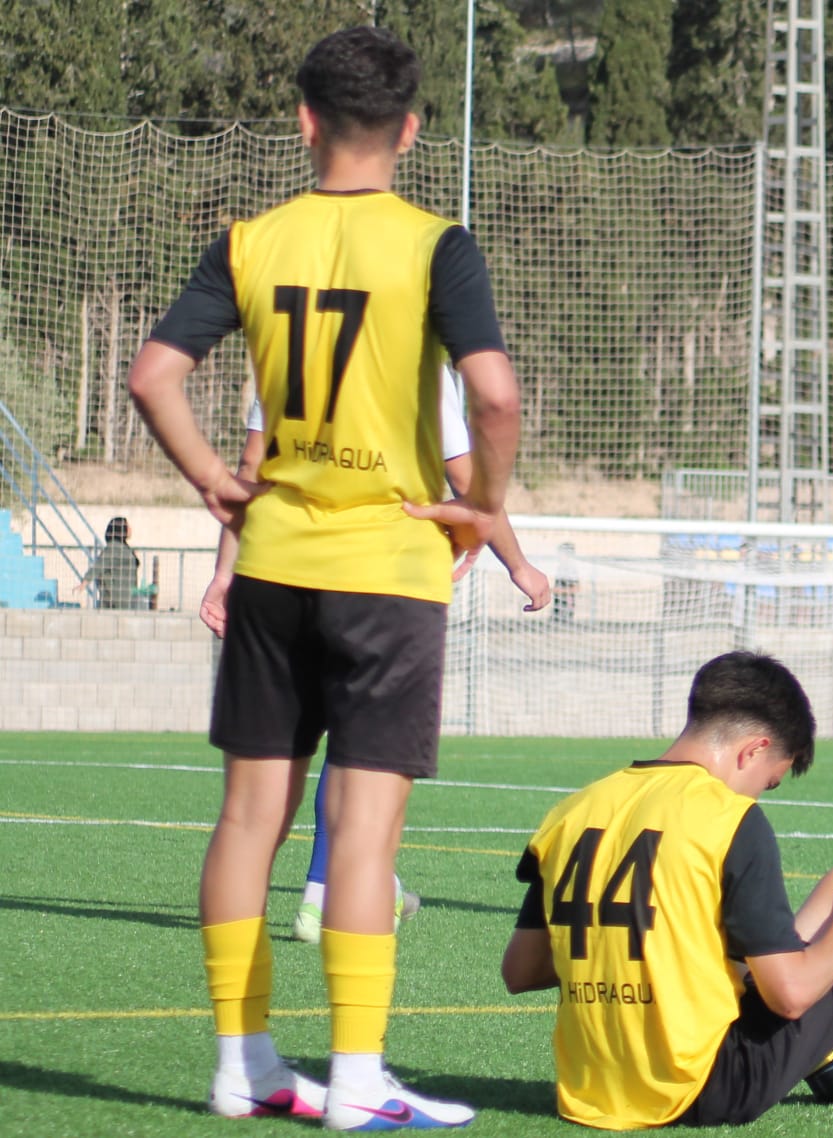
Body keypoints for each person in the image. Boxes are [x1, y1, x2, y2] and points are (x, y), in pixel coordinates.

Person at [127, 26, 519, 1131]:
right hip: (387, 569)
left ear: (303, 121)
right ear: (411, 129)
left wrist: (213, 478)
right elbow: (494, 396)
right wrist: (483, 504)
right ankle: (355, 1078)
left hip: (274, 563)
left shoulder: (249, 241)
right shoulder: (437, 246)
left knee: (247, 819)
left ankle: (242, 1062)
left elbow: (153, 376)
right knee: (363, 830)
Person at [500, 651, 833, 1128]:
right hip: (704, 1086)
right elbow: (790, 995)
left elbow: (521, 970)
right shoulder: (725, 817)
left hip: (590, 1085)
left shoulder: (574, 810)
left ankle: (829, 1062)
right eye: (768, 781)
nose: (757, 796)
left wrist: (655, 954)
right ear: (752, 750)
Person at [199, 375, 552, 946]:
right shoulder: (416, 359)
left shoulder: (287, 346)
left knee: (252, 806)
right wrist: (516, 562)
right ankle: (324, 898)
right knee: (360, 759)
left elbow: (250, 469)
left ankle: (241, 991)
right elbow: (467, 480)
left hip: (281, 574)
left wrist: (224, 573)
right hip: (379, 583)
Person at [76, 517, 141, 610]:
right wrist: (85, 582)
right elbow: (99, 565)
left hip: (125, 595)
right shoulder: (114, 548)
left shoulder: (123, 547)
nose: (130, 529)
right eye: (128, 526)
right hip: (117, 597)